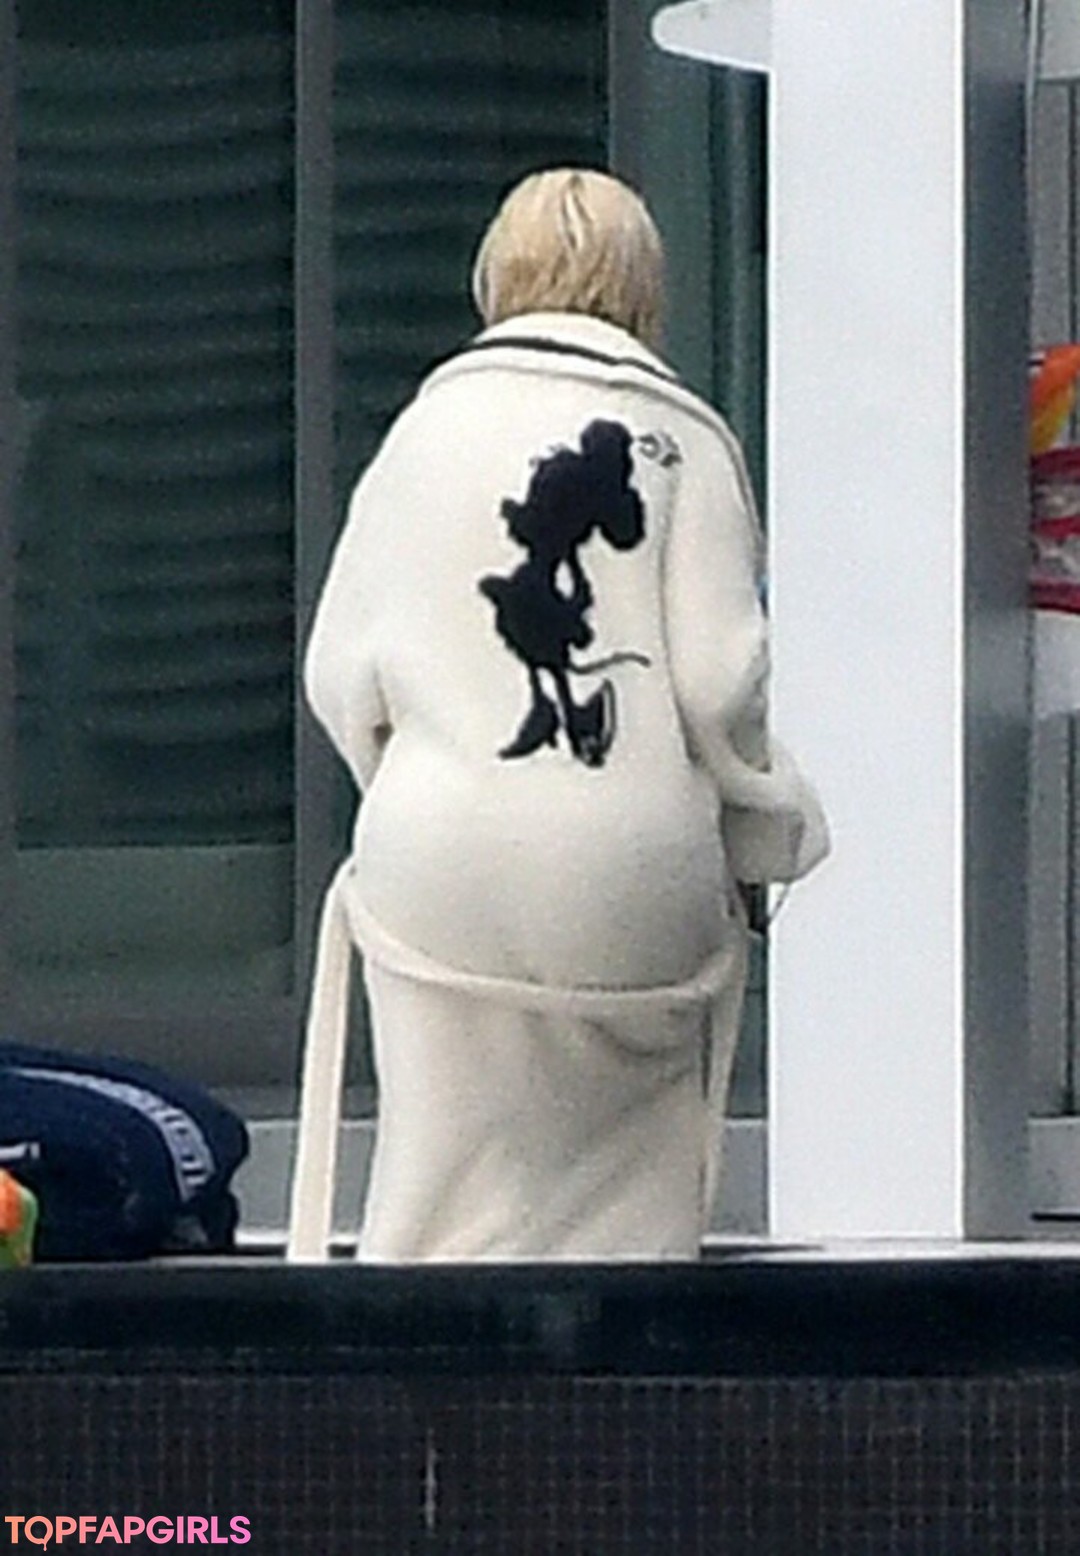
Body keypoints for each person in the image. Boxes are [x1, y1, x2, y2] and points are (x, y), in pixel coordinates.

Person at [288, 168, 829, 1262]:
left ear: (496, 275)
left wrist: (424, 776)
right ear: (645, 284)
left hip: (437, 856)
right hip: (624, 866)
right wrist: (775, 821)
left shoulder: (423, 431)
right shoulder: (682, 435)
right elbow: (722, 684)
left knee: (439, 1186)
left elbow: (342, 672)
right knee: (628, 1194)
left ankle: (414, 1361)